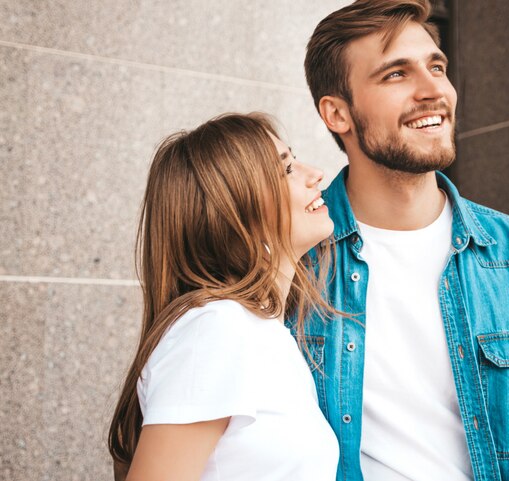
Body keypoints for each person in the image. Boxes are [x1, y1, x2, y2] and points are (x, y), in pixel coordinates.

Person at [290, 1, 509, 480]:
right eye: (396, 74)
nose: (434, 91)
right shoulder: (293, 258)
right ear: (337, 113)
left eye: (437, 67)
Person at [108, 113, 339, 481]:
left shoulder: (260, 329)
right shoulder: (217, 329)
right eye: (287, 170)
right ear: (233, 212)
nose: (316, 174)